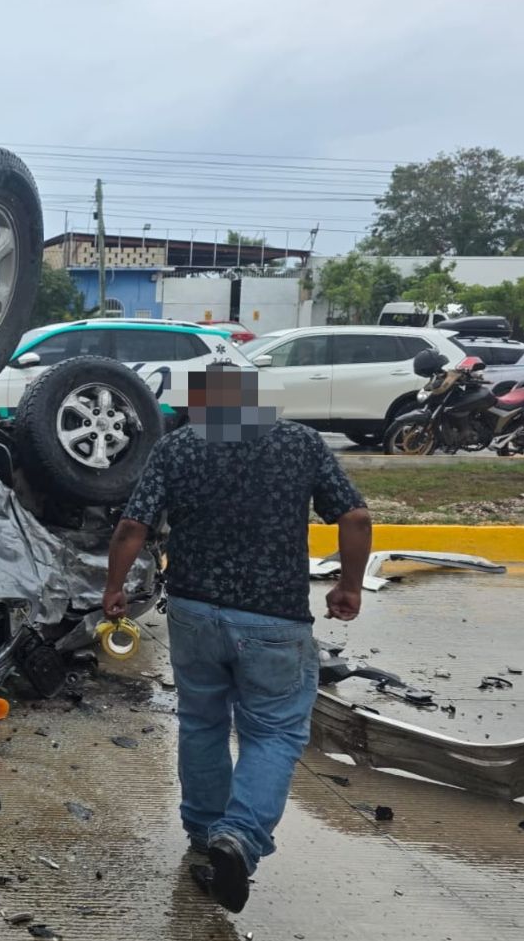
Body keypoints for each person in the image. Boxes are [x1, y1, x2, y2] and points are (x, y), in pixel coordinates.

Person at [103, 364, 371, 914]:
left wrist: (114, 588)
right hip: (275, 620)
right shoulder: (300, 443)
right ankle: (240, 837)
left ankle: (205, 833)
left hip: (195, 614)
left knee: (201, 722)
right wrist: (349, 585)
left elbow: (133, 526)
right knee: (273, 732)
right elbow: (355, 517)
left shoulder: (178, 448)